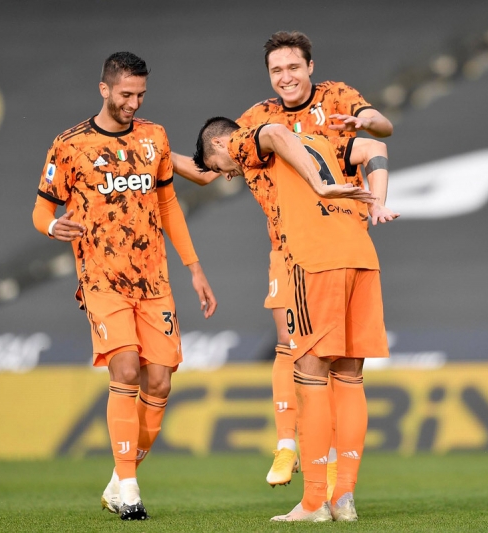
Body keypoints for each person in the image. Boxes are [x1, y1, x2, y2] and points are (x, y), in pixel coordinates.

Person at [173, 30, 394, 490]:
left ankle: (323, 480)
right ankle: (289, 445)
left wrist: (367, 127)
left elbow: (379, 132)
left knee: (329, 366)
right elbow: (212, 164)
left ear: (310, 67)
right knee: (297, 349)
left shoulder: (336, 99)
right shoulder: (256, 119)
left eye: (294, 67)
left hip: (330, 242)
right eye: (277, 70)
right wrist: (150, 150)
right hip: (289, 247)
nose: (286, 77)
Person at [33, 51, 217, 521]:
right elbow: (41, 209)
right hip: (101, 279)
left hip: (154, 281)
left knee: (160, 380)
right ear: (104, 89)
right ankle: (131, 491)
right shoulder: (69, 145)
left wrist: (194, 268)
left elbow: (169, 205)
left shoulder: (155, 137)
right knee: (128, 370)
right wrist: (52, 227)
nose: (133, 103)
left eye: (140, 95)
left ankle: (120, 479)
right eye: (126, 94)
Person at [193, 117, 398, 522]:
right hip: (360, 253)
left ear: (218, 144)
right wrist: (377, 201)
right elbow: (376, 147)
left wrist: (318, 185)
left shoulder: (243, 142)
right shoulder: (320, 139)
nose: (228, 174)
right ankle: (343, 496)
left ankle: (314, 502)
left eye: (218, 167)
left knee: (307, 371)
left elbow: (272, 131)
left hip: (316, 258)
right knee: (350, 376)